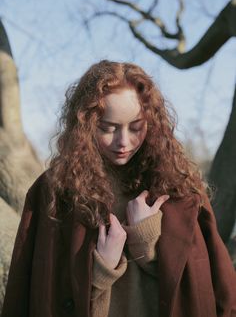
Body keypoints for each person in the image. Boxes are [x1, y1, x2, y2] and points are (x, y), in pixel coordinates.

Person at [2, 60, 236, 317]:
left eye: (136, 127)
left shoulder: (180, 188)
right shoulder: (55, 191)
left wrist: (147, 244)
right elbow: (29, 293)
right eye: (108, 128)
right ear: (86, 125)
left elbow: (215, 288)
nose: (124, 142)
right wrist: (101, 269)